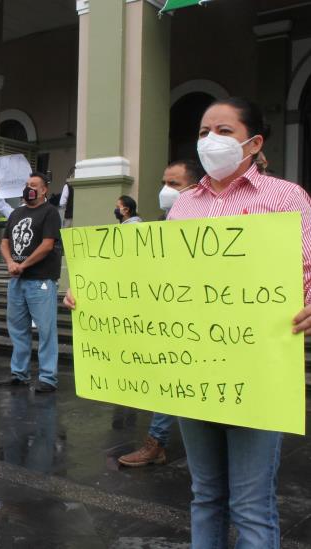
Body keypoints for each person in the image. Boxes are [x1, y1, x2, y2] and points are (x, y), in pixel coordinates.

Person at [67, 97, 311, 548]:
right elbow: (160, 285)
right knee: (205, 496)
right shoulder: (183, 208)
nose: (210, 140)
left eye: (223, 131)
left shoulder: (286, 197)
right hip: (197, 370)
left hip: (258, 372)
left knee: (253, 506)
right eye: (202, 132)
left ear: (253, 143)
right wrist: (98, 296)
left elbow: (307, 273)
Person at [118, 159, 203, 468]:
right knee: (170, 377)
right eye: (164, 183)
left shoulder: (210, 223)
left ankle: (162, 443)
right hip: (174, 316)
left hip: (207, 319)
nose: (166, 190)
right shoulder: (160, 226)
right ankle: (157, 442)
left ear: (195, 187)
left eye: (175, 184)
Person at [0, 172, 62, 393]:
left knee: (46, 330)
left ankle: (48, 377)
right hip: (17, 281)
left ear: (44, 190)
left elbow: (47, 245)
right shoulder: (16, 213)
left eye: (33, 185)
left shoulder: (50, 212)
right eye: (26, 185)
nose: (28, 189)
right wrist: (10, 263)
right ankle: (19, 373)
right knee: (17, 329)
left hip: (40, 281)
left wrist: (23, 265)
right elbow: (4, 242)